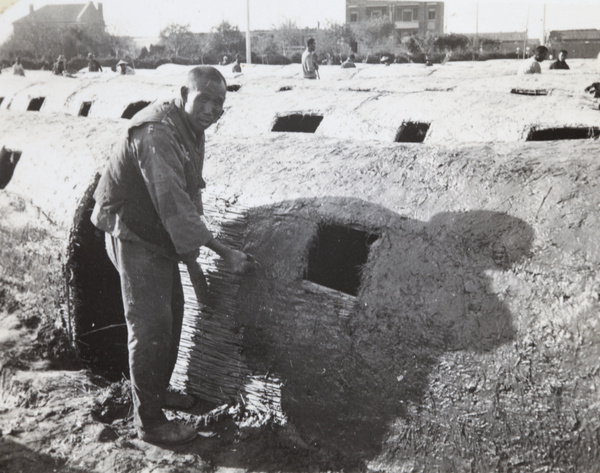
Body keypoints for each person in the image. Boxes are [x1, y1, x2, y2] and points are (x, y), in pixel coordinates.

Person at [92, 66, 250, 446]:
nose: (212, 110)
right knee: (150, 327)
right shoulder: (157, 131)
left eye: (219, 103)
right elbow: (174, 203)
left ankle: (155, 394)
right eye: (205, 100)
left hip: (157, 231)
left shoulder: (192, 129)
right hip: (132, 229)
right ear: (183, 93)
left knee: (172, 314)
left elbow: (189, 191)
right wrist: (224, 253)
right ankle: (149, 423)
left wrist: (193, 262)